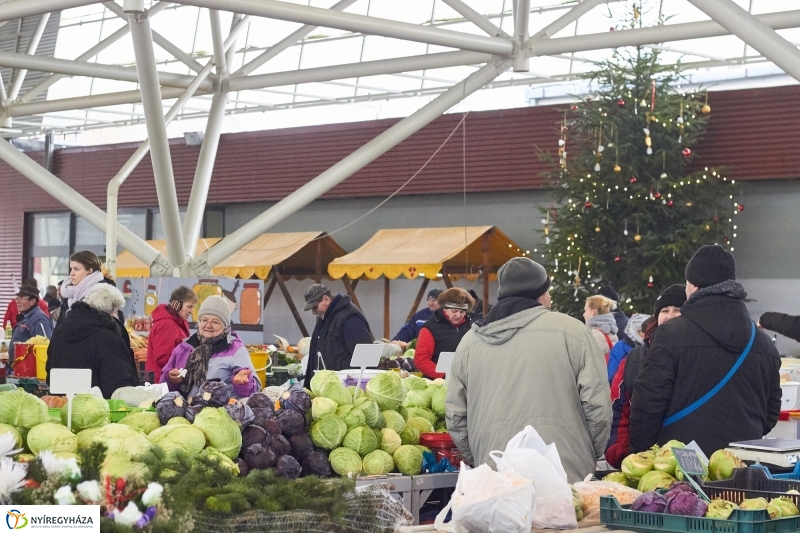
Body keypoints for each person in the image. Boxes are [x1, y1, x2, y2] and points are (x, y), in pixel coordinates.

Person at [446, 257, 611, 483]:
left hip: (496, 473)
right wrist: (587, 452)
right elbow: (598, 407)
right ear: (541, 294)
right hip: (565, 474)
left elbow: (455, 416)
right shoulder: (575, 333)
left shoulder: (469, 343)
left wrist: (480, 455)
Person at [630, 245, 782, 456]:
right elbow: (771, 410)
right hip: (742, 466)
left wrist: (644, 451)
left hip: (682, 467)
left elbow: (649, 401)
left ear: (692, 285)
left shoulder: (670, 335)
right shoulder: (764, 344)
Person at [605, 283, 685, 468]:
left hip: (688, 461)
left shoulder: (696, 355)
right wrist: (623, 454)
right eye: (665, 310)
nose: (670, 316)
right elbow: (619, 408)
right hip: (643, 461)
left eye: (678, 310)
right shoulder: (635, 357)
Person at [46, 284, 139, 398]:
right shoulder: (109, 339)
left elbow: (50, 372)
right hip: (98, 410)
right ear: (111, 311)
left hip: (61, 407)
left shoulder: (60, 331)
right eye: (116, 312)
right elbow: (118, 386)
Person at [161, 296, 260, 399]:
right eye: (204, 320)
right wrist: (170, 379)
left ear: (225, 325)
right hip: (187, 411)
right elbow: (164, 387)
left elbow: (254, 391)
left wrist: (243, 384)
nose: (208, 325)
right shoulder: (184, 348)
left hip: (221, 412)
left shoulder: (235, 349)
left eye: (215, 322)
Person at [301, 284, 373, 388]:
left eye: (315, 307)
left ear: (326, 299)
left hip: (345, 388)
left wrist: (359, 388)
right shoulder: (326, 317)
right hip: (328, 387)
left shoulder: (350, 317)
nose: (313, 312)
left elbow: (366, 357)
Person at [414, 288, 474, 379]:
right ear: (445, 309)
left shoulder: (471, 327)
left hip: (467, 382)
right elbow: (421, 359)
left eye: (462, 312)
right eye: (454, 311)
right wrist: (445, 376)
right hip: (438, 384)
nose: (458, 315)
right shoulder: (430, 328)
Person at [145, 286, 198, 383]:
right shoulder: (167, 325)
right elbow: (163, 358)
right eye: (189, 307)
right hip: (162, 382)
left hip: (167, 380)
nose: (191, 311)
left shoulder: (176, 323)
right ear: (176, 304)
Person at [57, 251, 116, 325]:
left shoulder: (104, 295)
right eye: (71, 269)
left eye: (76, 269)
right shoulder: (68, 293)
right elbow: (59, 329)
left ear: (90, 270)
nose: (71, 273)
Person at [9, 282, 53, 373]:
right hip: (19, 370)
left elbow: (46, 347)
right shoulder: (25, 317)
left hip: (31, 374)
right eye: (18, 298)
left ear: (32, 301)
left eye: (22, 298)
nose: (18, 301)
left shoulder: (39, 319)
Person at [606, 313, 649, 382]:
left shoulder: (650, 346)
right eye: (644, 330)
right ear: (635, 331)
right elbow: (612, 376)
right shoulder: (621, 348)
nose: (647, 334)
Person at [583, 295, 619, 360]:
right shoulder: (612, 331)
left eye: (585, 310)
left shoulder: (593, 334)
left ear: (592, 312)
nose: (584, 314)